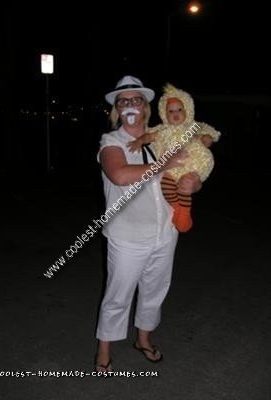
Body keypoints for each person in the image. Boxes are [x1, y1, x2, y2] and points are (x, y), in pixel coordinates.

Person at [94, 76, 202, 372]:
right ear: (117, 109)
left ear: (146, 107)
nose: (130, 105)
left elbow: (189, 173)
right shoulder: (111, 142)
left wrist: (193, 185)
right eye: (123, 101)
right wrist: (164, 164)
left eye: (136, 99)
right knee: (118, 295)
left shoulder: (164, 136)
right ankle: (104, 348)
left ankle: (143, 339)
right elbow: (120, 175)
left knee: (155, 291)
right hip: (127, 236)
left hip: (164, 232)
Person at [127, 83, 221, 232]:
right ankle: (178, 209)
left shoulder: (193, 127)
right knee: (166, 183)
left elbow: (208, 134)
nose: (175, 113)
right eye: (170, 111)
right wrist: (139, 140)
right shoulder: (163, 130)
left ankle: (184, 212)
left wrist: (206, 138)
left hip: (193, 165)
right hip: (171, 169)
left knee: (185, 184)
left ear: (188, 110)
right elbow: (149, 136)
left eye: (179, 109)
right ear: (164, 114)